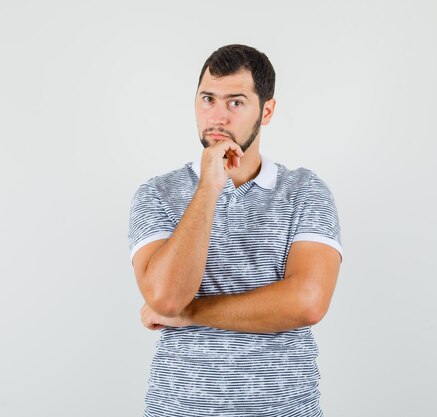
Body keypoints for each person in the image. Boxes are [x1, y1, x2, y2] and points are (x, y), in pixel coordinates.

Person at [127, 44, 343, 417]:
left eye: (236, 102)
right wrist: (209, 186)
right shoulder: (157, 194)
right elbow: (165, 298)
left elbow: (307, 302)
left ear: (267, 111)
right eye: (207, 99)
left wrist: (190, 313)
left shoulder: (305, 191)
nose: (217, 116)